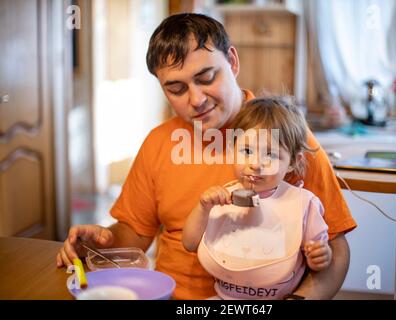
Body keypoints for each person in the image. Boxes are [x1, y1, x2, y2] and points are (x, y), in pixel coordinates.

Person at [57, 13, 356, 300]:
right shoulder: (160, 142)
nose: (196, 100)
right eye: (176, 89)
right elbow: (135, 233)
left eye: (206, 77)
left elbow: (335, 246)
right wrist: (98, 244)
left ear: (233, 62)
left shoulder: (285, 138)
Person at [182, 96, 332, 299]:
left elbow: (319, 255)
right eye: (246, 151)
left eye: (270, 155)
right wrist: (203, 208)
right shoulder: (221, 197)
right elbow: (190, 243)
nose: (256, 163)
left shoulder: (303, 203)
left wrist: (321, 256)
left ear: (292, 162)